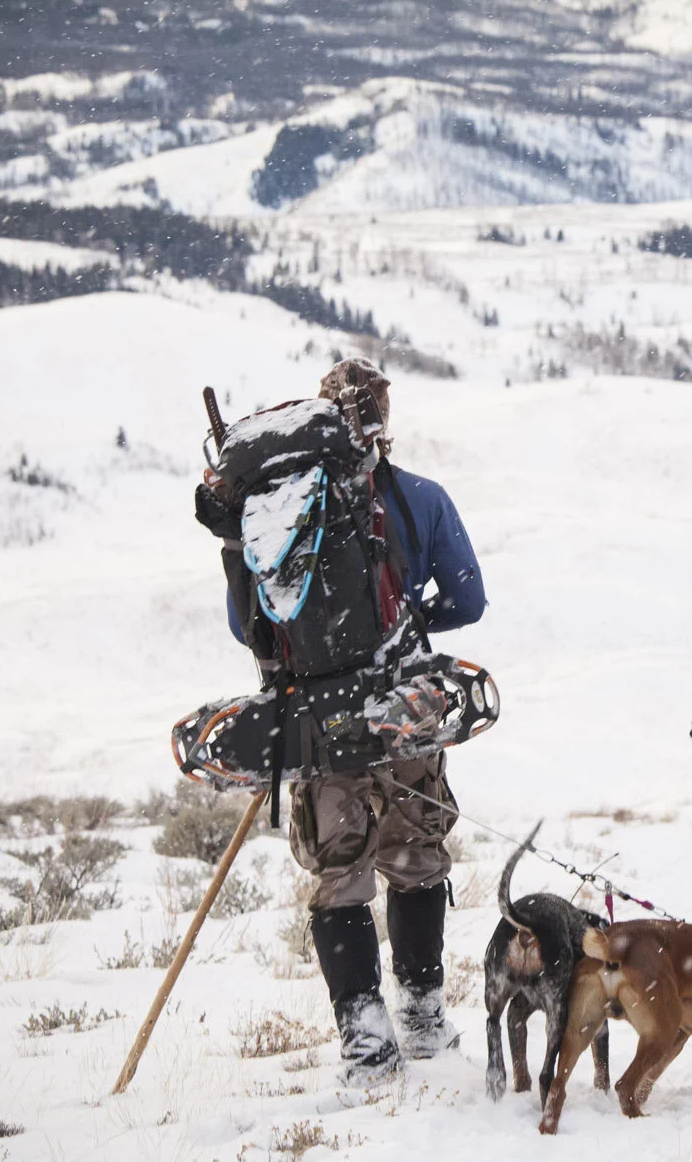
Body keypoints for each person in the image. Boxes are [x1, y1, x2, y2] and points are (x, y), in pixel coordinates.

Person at [223, 358, 487, 1085]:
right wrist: (407, 625)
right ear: (382, 418)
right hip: (404, 706)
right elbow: (469, 599)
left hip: (315, 716)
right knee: (416, 854)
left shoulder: (274, 512)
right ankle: (424, 1017)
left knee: (339, 873)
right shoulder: (419, 498)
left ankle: (365, 1041)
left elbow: (245, 623)